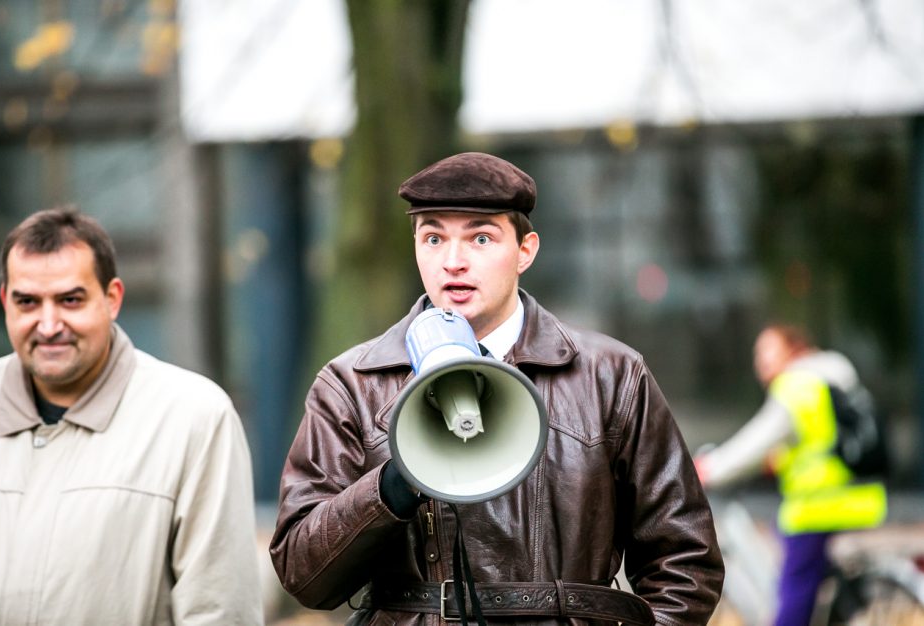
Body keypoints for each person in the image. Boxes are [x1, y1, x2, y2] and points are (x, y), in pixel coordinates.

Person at [271, 152, 724, 625]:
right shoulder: (353, 383)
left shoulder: (611, 375)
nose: (453, 262)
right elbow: (305, 575)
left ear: (525, 250)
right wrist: (393, 486)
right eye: (432, 238)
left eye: (480, 238)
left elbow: (685, 562)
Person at [0, 207, 264, 625]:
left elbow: (221, 610)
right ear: (6, 301)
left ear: (112, 298)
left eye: (70, 300)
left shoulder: (194, 419)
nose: (48, 324)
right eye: (28, 302)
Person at [694, 324, 888, 626]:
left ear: (794, 349)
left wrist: (708, 469)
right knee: (784, 539)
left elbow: (754, 443)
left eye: (768, 350)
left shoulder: (796, 385)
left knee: (792, 597)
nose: (761, 361)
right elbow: (820, 439)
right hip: (861, 496)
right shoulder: (832, 375)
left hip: (819, 506)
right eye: (758, 354)